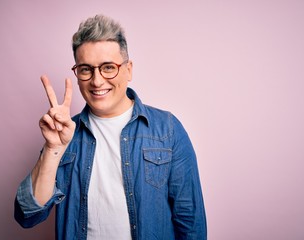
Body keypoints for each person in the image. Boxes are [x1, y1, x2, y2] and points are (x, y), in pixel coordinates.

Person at [14, 14, 207, 240]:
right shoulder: (64, 134)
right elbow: (27, 215)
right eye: (86, 69)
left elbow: (191, 224)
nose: (97, 81)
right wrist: (52, 149)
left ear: (128, 69)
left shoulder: (168, 130)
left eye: (108, 67)